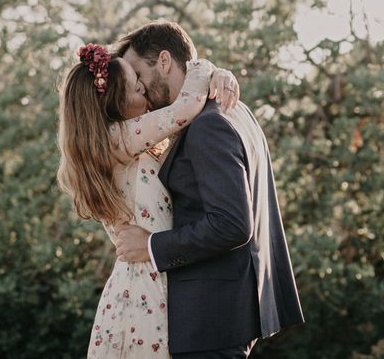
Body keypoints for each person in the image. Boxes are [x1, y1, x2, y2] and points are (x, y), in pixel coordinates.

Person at [114, 20, 305, 358]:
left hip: (209, 316)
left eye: (138, 74)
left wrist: (152, 245)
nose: (139, 87)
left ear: (164, 61)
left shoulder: (207, 125)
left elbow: (231, 223)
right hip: (226, 312)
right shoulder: (232, 110)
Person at [56, 41, 240, 358]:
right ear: (116, 103)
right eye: (137, 87)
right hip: (144, 289)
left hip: (147, 279)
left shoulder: (121, 143)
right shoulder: (118, 139)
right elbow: (184, 108)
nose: (146, 92)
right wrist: (205, 66)